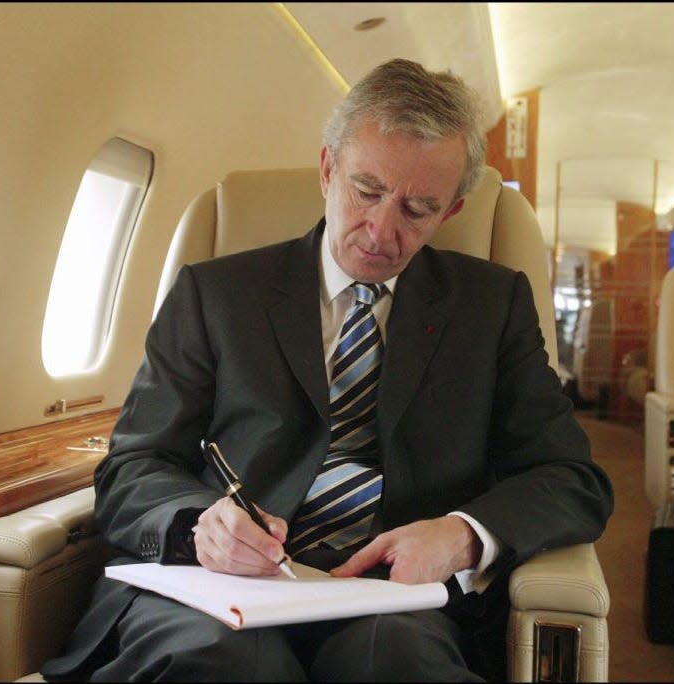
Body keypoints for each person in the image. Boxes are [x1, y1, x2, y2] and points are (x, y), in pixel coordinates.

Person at [42, 58, 614, 682]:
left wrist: (462, 535)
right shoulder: (216, 295)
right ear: (327, 169)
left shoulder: (491, 307)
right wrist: (196, 524)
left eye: (417, 209)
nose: (380, 230)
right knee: (222, 662)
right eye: (366, 191)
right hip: (218, 587)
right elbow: (131, 466)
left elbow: (569, 477)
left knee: (394, 663)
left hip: (392, 602)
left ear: (451, 212)